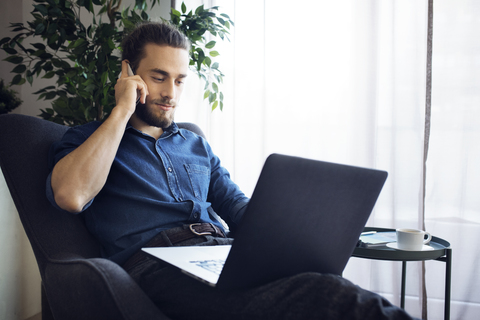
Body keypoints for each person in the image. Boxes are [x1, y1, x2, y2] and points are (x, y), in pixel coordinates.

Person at [46, 21, 418, 320]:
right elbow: (71, 195)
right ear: (129, 73)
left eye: (179, 80)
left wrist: (306, 232)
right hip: (157, 266)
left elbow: (239, 208)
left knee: (322, 282)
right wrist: (122, 111)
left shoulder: (194, 144)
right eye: (158, 77)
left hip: (222, 253)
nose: (171, 93)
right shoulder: (89, 140)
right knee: (333, 299)